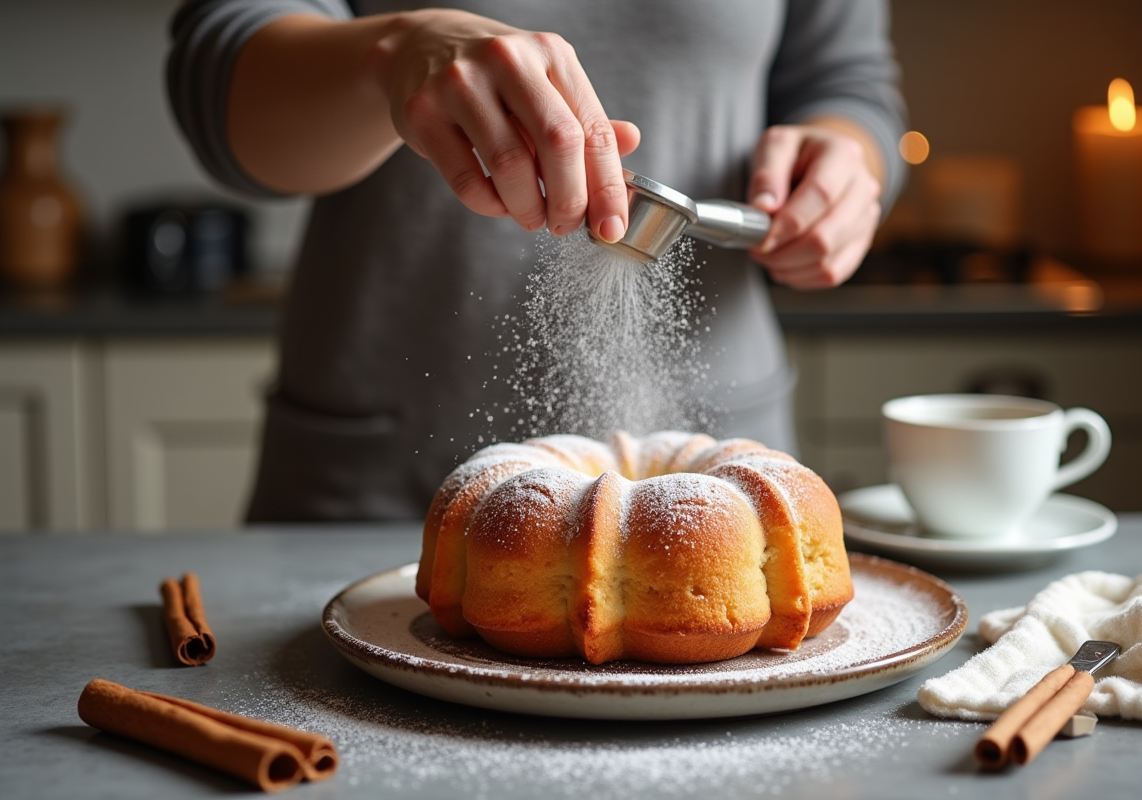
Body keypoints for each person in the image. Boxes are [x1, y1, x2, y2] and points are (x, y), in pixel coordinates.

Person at [168, 0, 907, 522]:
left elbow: (847, 83)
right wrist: (394, 56)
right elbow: (225, 78)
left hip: (717, 477)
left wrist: (847, 158)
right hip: (381, 478)